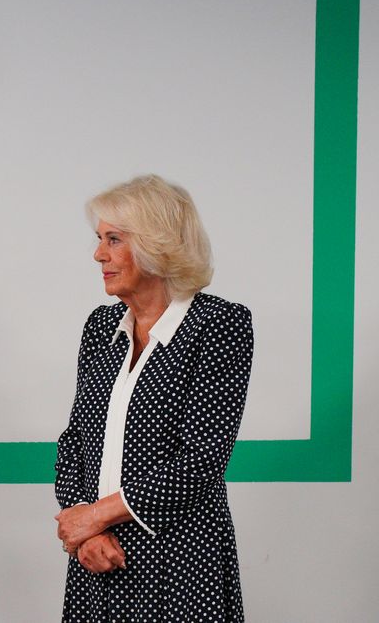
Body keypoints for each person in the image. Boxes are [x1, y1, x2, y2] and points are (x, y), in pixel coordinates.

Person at [54, 175, 253, 621]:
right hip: (98, 558)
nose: (98, 254)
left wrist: (96, 516)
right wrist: (85, 532)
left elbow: (200, 460)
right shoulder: (100, 327)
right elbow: (74, 443)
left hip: (178, 561)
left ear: (156, 245)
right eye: (99, 239)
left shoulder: (219, 325)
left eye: (114, 239)